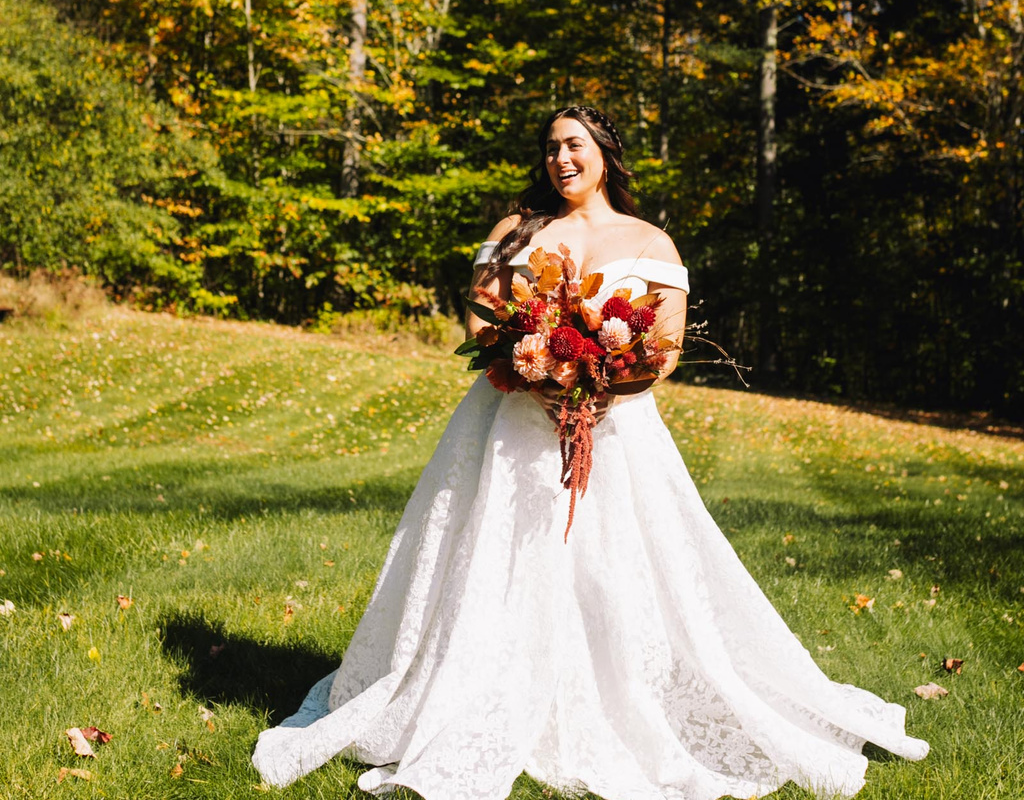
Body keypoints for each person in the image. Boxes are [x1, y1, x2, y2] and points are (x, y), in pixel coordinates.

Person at [253, 105, 929, 800]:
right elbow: (480, 323)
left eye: (573, 143)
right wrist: (533, 371)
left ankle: (617, 695)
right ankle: (474, 688)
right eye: (549, 147)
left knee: (612, 569)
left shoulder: (649, 240)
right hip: (511, 424)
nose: (560, 158)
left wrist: (604, 388)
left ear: (604, 150)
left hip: (618, 430)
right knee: (496, 556)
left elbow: (662, 349)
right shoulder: (516, 230)